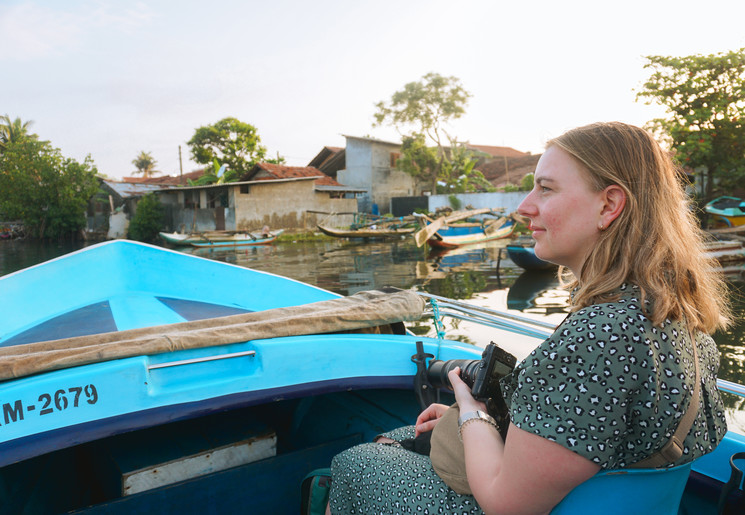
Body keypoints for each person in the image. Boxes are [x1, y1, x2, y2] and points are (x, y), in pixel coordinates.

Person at [326, 122, 730, 514]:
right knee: (402, 437)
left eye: (546, 188)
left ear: (609, 205)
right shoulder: (677, 320)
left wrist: (471, 411)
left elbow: (507, 503)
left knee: (356, 463)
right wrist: (469, 419)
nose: (524, 206)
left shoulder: (598, 335)